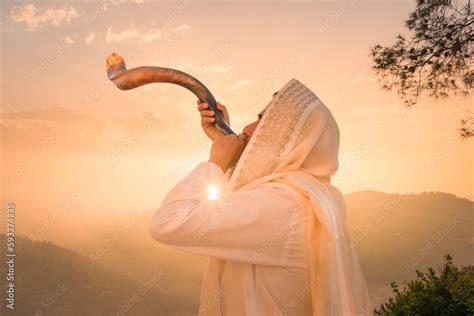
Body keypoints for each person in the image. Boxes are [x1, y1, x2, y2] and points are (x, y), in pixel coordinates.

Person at [149, 79, 372, 315]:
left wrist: (215, 163)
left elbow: (168, 222)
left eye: (264, 121)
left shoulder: (285, 203)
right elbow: (240, 199)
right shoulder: (314, 195)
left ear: (291, 139)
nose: (247, 128)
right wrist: (223, 140)